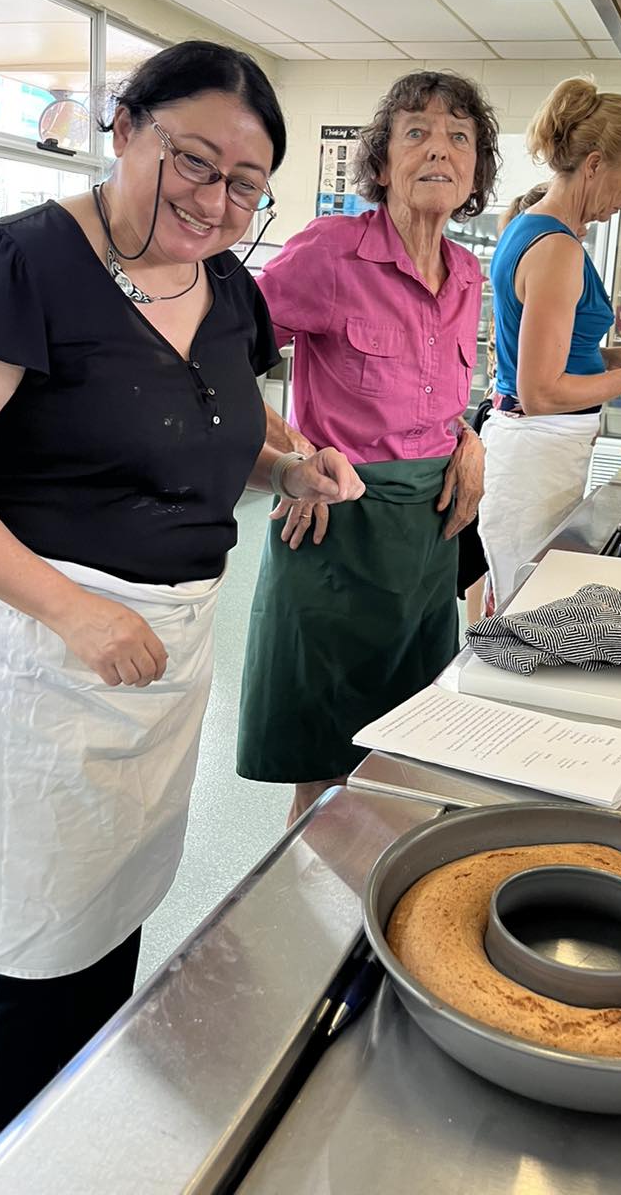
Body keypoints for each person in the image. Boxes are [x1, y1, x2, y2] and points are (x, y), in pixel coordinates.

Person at [0, 41, 364, 1183]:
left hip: (157, 655)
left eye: (246, 184)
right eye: (194, 162)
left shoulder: (227, 289)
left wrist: (287, 467)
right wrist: (73, 612)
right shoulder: (14, 264)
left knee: (110, 914)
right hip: (32, 651)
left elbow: (207, 433)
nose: (216, 201)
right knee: (41, 947)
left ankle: (75, 1147)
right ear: (125, 126)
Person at [236, 70, 499, 823]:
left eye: (459, 137)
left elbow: (434, 391)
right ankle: (307, 894)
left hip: (427, 536)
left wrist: (468, 437)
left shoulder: (467, 272)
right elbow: (214, 358)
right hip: (336, 530)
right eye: (417, 133)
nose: (440, 150)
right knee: (325, 762)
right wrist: (292, 456)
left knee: (408, 748)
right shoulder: (330, 253)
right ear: (381, 164)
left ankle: (388, 892)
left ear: (476, 172)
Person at [477, 78, 621, 607]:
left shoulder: (537, 230)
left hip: (536, 449)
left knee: (522, 600)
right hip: (536, 451)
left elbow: (548, 355)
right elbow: (541, 393)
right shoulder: (555, 248)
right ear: (596, 164)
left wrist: (615, 358)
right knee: (524, 613)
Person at [459, 181, 550, 623]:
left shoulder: (516, 270)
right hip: (514, 420)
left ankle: (477, 629)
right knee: (489, 549)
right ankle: (481, 633)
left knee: (483, 546)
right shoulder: (537, 274)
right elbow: (542, 382)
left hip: (497, 412)